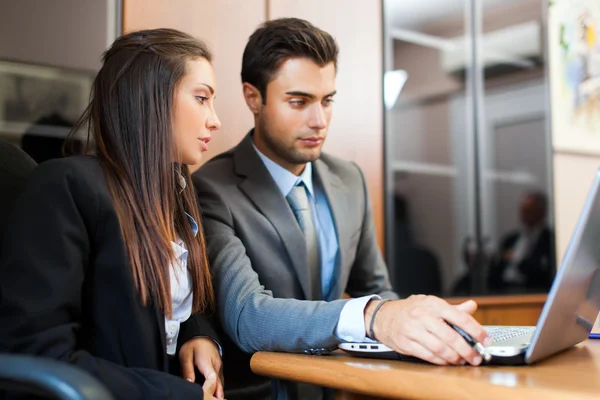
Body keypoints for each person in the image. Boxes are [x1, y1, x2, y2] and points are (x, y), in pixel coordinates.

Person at [193, 18, 491, 400]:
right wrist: (373, 316)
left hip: (339, 388)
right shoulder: (211, 189)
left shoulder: (349, 179)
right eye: (298, 102)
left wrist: (427, 328)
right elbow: (248, 316)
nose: (319, 121)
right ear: (253, 97)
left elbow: (376, 289)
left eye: (327, 100)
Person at [0, 28, 224, 400]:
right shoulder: (68, 186)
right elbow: (38, 354)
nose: (214, 120)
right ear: (149, 100)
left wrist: (197, 333)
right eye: (202, 99)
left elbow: (167, 309)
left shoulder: (177, 194)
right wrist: (177, 394)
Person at [488, 191, 554, 292]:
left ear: (541, 211)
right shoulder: (511, 239)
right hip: (504, 290)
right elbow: (496, 268)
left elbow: (542, 272)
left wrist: (516, 259)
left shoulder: (549, 239)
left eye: (529, 210)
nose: (524, 213)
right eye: (522, 209)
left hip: (532, 291)